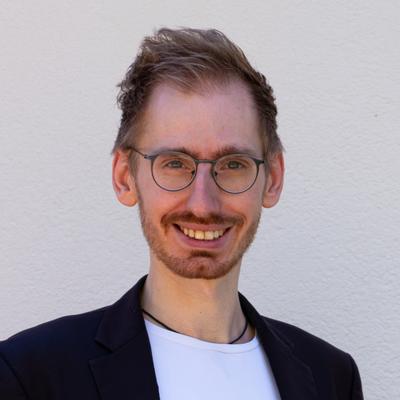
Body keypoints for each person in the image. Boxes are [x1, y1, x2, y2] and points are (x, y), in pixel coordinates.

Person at [0, 28, 363, 399]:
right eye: (174, 163)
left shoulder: (332, 377)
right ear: (125, 177)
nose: (202, 204)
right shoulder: (29, 375)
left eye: (233, 164)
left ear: (273, 179)